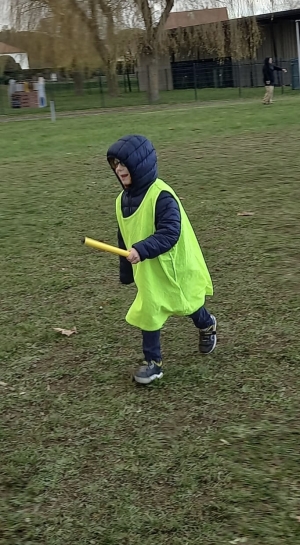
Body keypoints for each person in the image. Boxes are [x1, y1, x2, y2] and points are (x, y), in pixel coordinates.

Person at [106, 135, 217, 385]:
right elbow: (124, 236)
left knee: (187, 303)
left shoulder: (162, 196)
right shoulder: (120, 201)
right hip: (147, 269)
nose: (119, 169)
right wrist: (126, 271)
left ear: (140, 164)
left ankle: (207, 324)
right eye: (115, 164)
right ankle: (153, 364)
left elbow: (170, 232)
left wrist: (141, 249)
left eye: (124, 163)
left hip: (174, 266)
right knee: (150, 309)